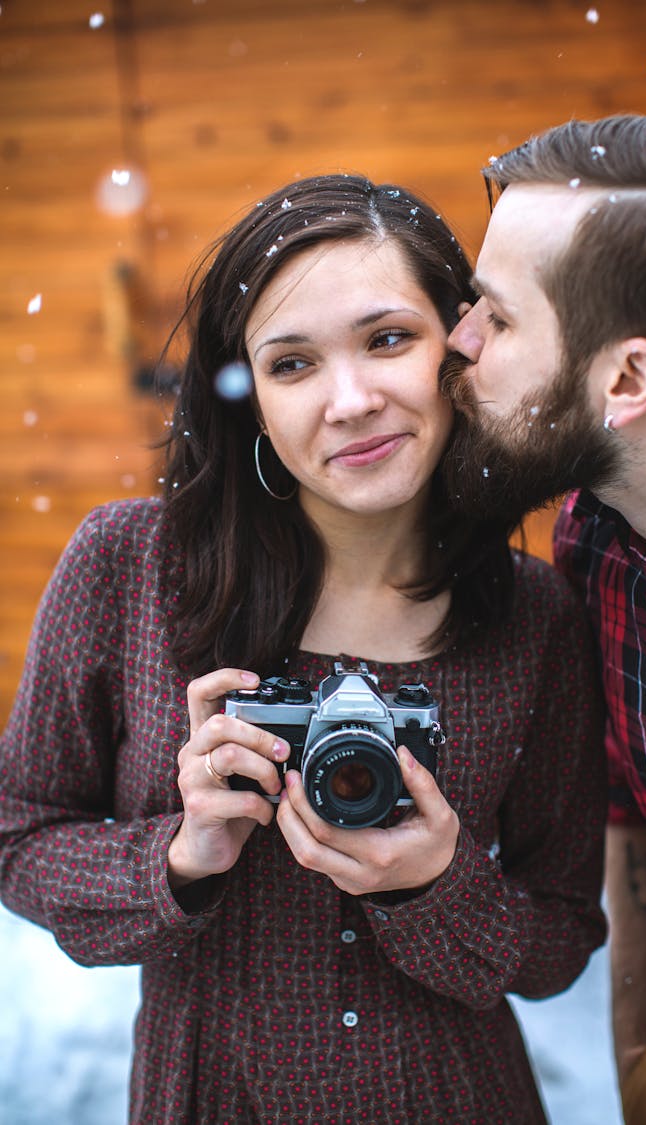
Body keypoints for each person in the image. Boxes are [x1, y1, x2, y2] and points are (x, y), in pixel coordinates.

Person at [0, 172, 607, 1125]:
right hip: (210, 1096)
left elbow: (564, 936)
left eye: (388, 338)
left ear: (460, 345)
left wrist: (439, 887)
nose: (352, 399)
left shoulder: (534, 616)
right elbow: (17, 837)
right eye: (292, 365)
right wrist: (181, 854)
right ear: (247, 399)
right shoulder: (125, 567)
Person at [442, 114, 646, 1125]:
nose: (459, 341)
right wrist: (635, 1052)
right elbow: (643, 813)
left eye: (496, 315)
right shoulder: (594, 544)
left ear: (626, 381)